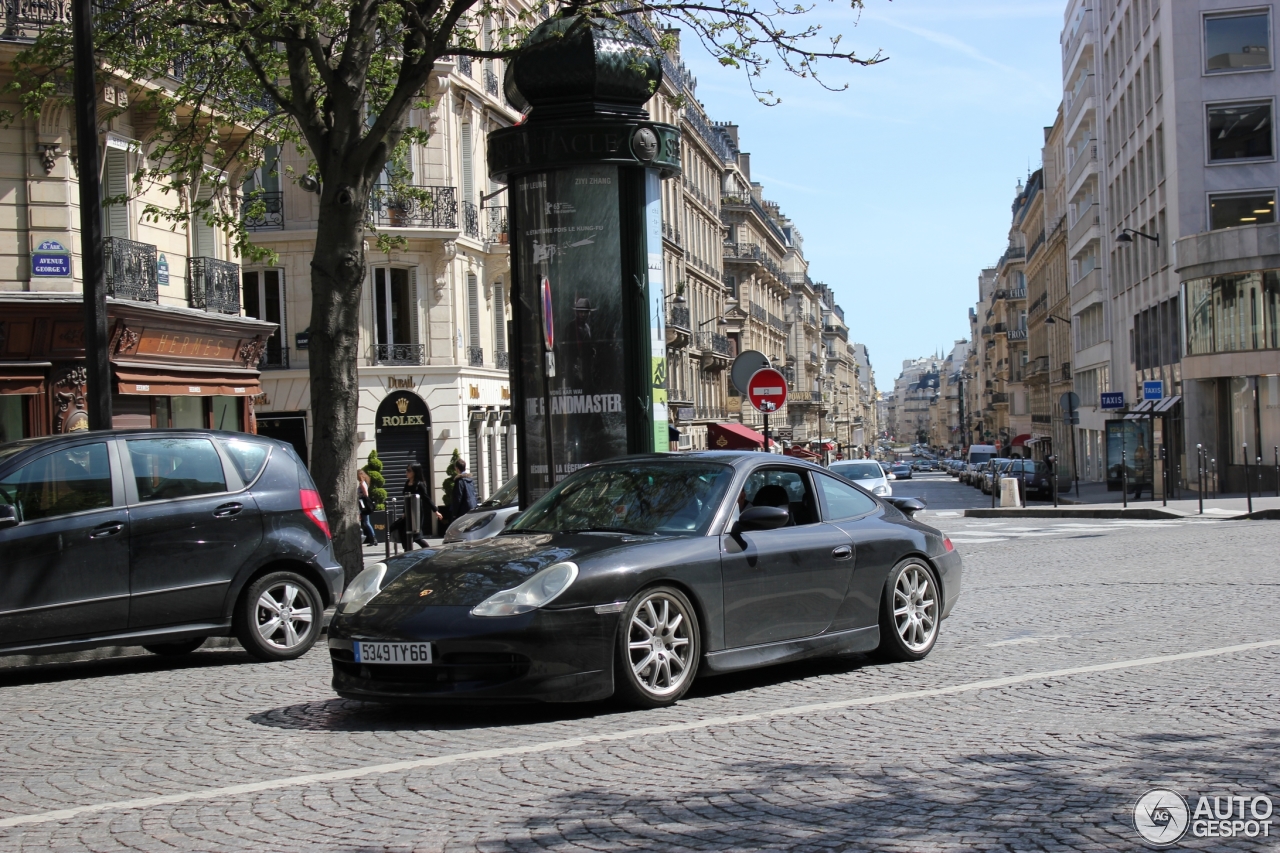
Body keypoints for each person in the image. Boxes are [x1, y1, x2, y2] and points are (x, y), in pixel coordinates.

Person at [389, 463, 442, 550]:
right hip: (407, 513)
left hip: (416, 513)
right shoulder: (407, 483)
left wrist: (435, 511)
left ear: (415, 472)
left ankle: (429, 551)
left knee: (416, 536)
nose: (407, 472)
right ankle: (408, 553)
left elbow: (426, 498)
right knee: (404, 534)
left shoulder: (419, 484)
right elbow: (406, 499)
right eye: (407, 470)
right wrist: (404, 512)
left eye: (409, 470)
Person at [357, 470, 378, 546]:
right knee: (366, 522)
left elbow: (365, 494)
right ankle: (372, 539)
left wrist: (361, 497)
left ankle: (373, 539)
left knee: (366, 522)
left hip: (363, 504)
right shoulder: (363, 483)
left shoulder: (362, 484)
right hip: (363, 504)